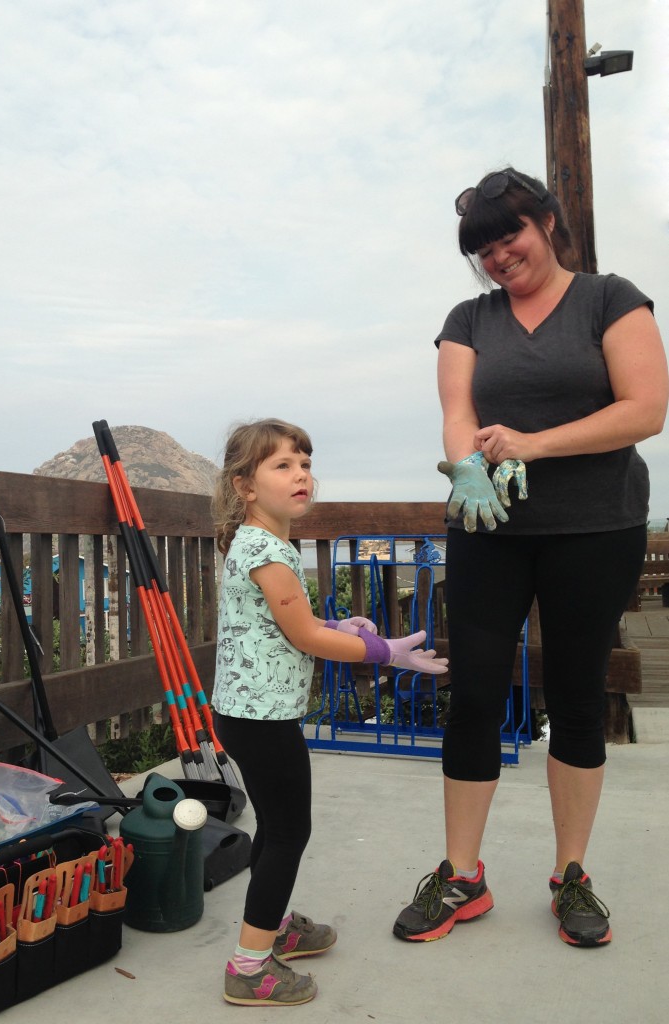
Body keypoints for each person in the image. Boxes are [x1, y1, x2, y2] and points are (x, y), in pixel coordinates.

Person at [392, 167, 668, 948]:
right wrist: (465, 465)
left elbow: (643, 409)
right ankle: (460, 875)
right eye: (480, 247)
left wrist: (531, 446)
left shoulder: (611, 298)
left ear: (545, 220)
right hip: (488, 529)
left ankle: (571, 875)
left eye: (506, 234)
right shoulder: (467, 318)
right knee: (474, 693)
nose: (496, 255)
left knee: (577, 694)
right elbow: (458, 412)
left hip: (594, 526)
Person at [211, 418, 448, 1005]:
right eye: (283, 466)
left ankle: (273, 926)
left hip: (249, 714)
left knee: (275, 823)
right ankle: (249, 965)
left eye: (305, 463)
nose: (301, 476)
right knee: (292, 830)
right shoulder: (268, 549)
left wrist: (340, 625)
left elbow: (289, 627)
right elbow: (304, 636)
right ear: (245, 485)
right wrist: (382, 651)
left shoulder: (262, 542)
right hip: (261, 721)